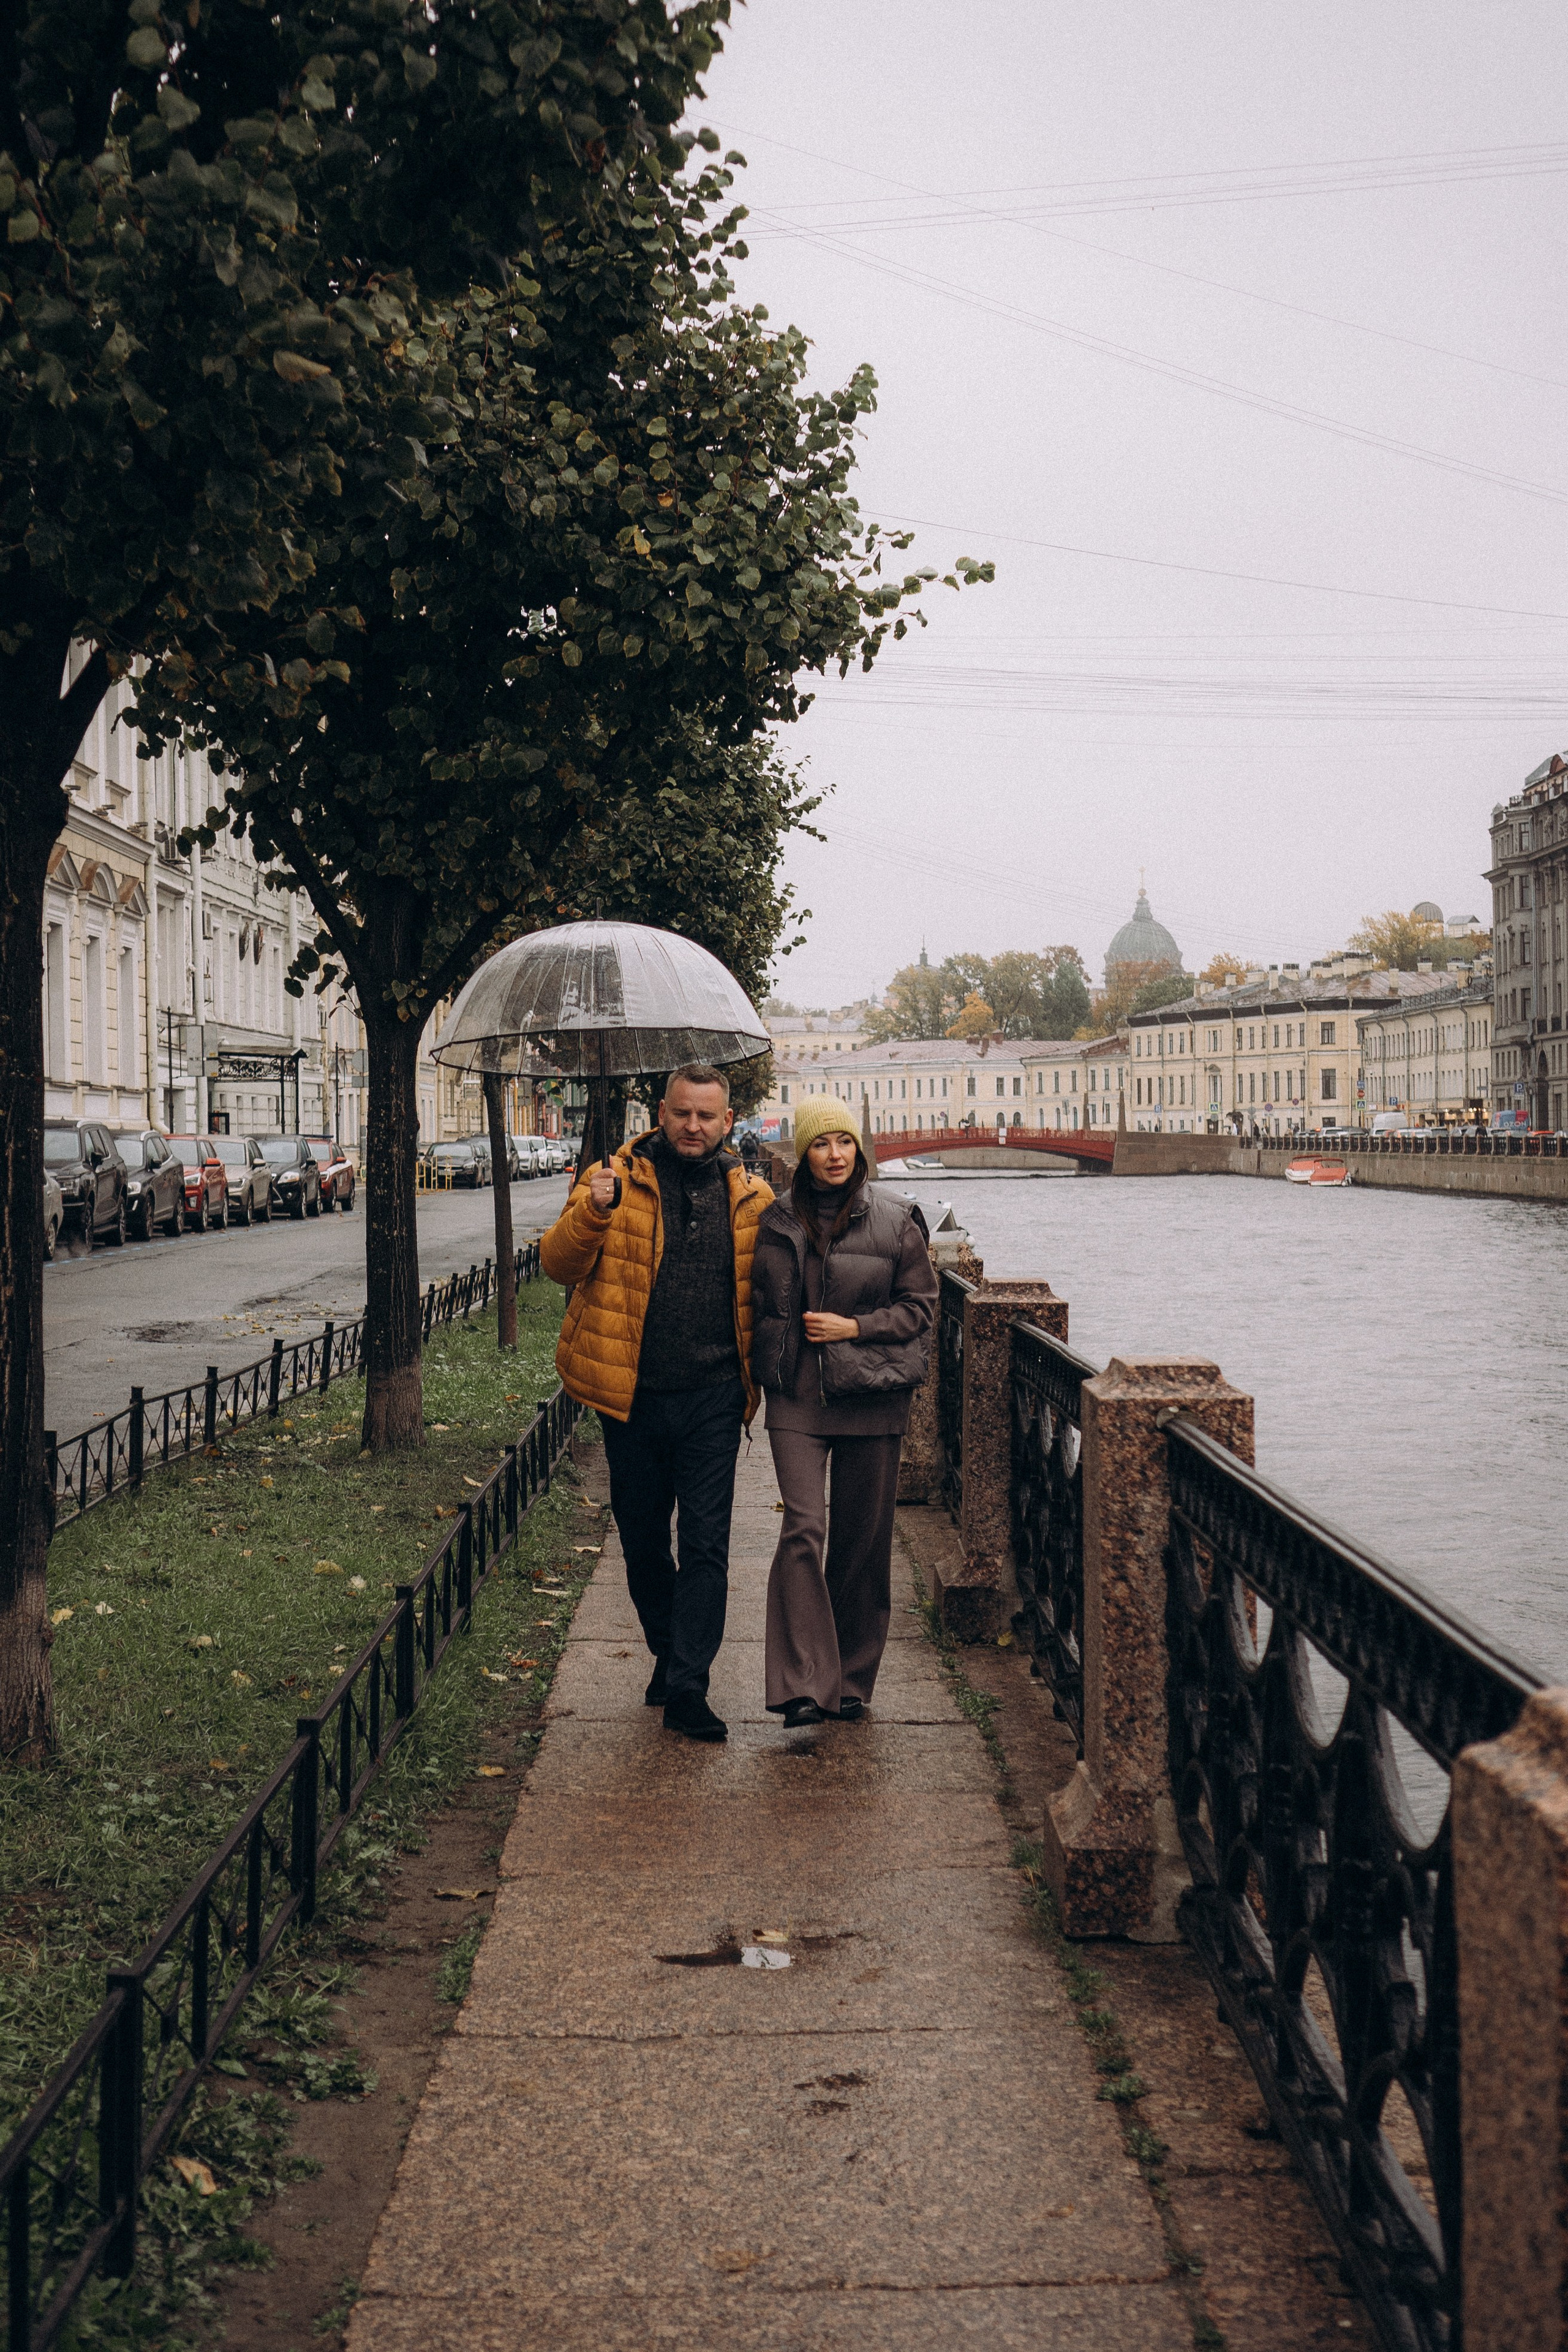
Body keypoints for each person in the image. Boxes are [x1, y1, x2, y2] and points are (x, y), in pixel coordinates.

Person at [540, 1065, 772, 1743]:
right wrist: (592, 1212)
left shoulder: (751, 1196)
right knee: (642, 1542)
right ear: (660, 1113)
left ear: (728, 1122)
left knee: (705, 1545)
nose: (693, 1127)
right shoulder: (611, 1179)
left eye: (706, 1116)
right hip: (630, 1393)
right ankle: (668, 1652)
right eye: (682, 1114)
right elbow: (557, 1264)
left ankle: (688, 1689)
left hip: (714, 1395)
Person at [750, 1097, 938, 1728]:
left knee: (863, 1539)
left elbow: (921, 1310)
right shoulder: (774, 1220)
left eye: (845, 1142)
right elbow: (754, 1303)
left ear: (858, 1149)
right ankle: (804, 1683)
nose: (834, 1155)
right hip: (796, 1395)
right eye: (821, 1143)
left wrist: (854, 1325)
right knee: (803, 1527)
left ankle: (851, 1679)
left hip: (872, 1393)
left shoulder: (897, 1221)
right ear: (802, 1152)